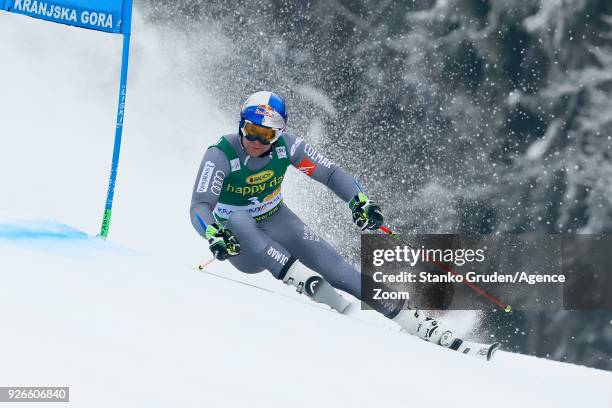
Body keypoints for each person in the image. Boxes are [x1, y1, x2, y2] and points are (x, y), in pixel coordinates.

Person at [190, 91, 458, 349]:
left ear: (279, 134)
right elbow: (200, 206)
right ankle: (299, 277)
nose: (257, 140)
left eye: (267, 134)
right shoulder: (221, 154)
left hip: (275, 218)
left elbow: (329, 173)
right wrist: (213, 233)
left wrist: (358, 201)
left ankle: (409, 318)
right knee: (238, 218)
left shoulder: (288, 147)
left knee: (337, 268)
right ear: (241, 124)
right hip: (240, 244)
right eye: (251, 130)